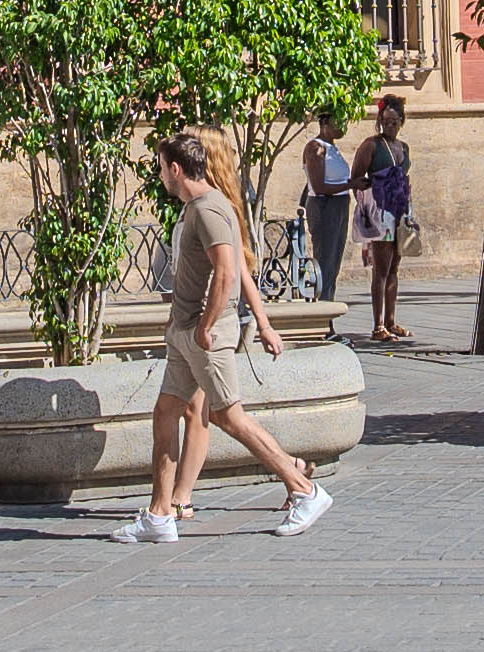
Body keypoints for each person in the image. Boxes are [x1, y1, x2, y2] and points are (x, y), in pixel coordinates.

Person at [132, 128, 334, 546]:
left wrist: (210, 325)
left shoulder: (210, 209)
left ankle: (303, 488)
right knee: (166, 412)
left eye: (160, 168)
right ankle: (159, 515)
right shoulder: (197, 207)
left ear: (175, 168)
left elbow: (230, 272)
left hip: (206, 333)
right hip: (186, 331)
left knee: (227, 416)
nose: (159, 177)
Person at [352, 96, 420, 350]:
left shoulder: (404, 148)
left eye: (395, 121)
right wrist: (367, 211)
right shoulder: (371, 146)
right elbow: (356, 179)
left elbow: (406, 178)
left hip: (399, 211)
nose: (390, 125)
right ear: (380, 121)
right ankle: (377, 324)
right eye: (386, 121)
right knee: (380, 270)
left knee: (394, 268)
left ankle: (391, 321)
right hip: (380, 211)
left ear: (401, 122)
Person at [302, 110, 358, 304]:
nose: (342, 127)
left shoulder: (333, 148)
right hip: (325, 206)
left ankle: (328, 309)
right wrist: (351, 185)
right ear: (324, 123)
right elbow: (319, 187)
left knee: (334, 263)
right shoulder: (316, 148)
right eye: (338, 122)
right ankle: (323, 313)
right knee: (325, 262)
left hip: (340, 205)